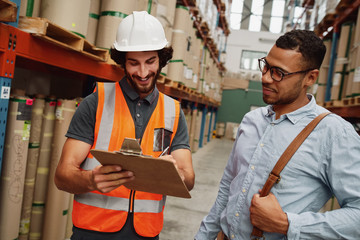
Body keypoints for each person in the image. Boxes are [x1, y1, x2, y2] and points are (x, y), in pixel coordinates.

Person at [195, 29, 360, 240]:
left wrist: (288, 224)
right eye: (266, 66)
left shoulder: (334, 134)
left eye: (279, 73)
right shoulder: (251, 121)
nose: (265, 78)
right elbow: (228, 187)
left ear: (310, 77)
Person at [55, 11, 195, 240]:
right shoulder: (96, 102)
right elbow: (62, 176)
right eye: (133, 63)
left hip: (145, 234)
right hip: (92, 233)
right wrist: (90, 180)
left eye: (150, 61)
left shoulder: (173, 112)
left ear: (161, 59)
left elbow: (188, 179)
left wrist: (172, 173)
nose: (142, 73)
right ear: (122, 61)